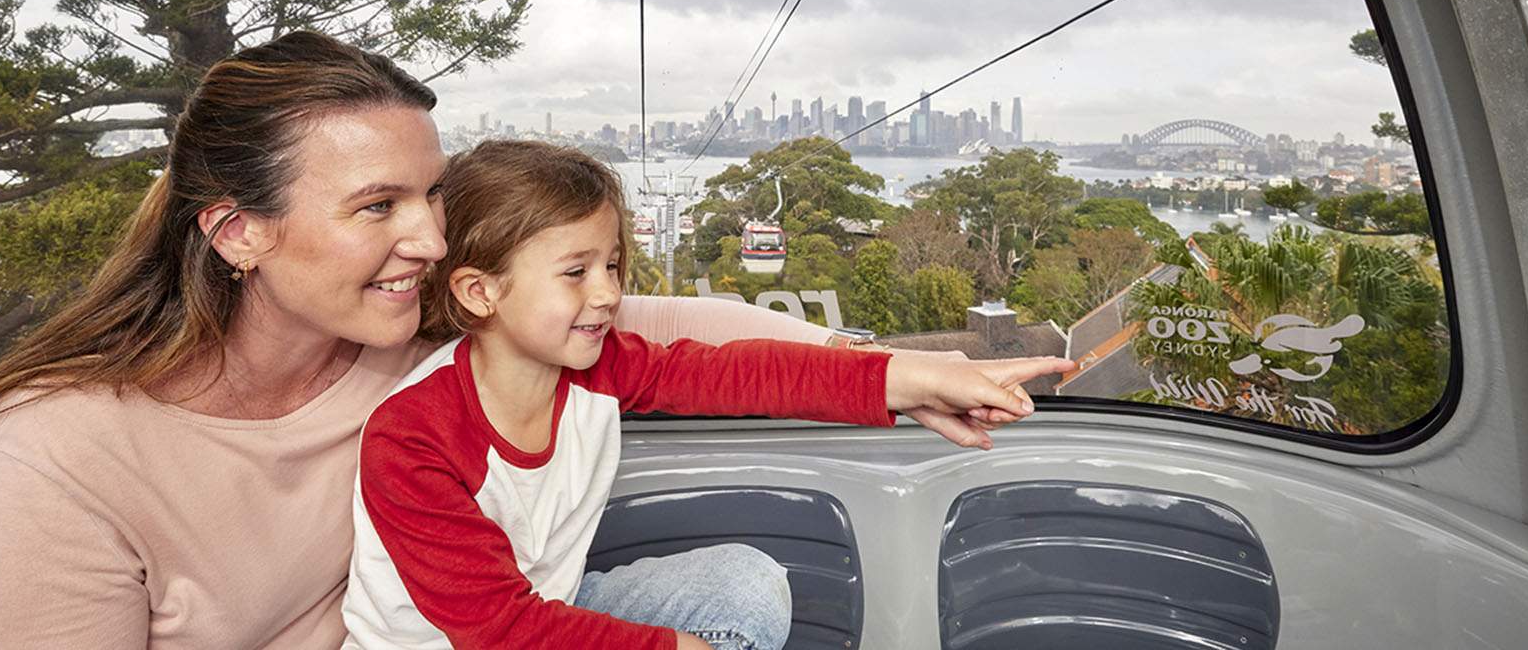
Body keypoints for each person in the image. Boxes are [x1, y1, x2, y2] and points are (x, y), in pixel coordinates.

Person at [0, 31, 1063, 649]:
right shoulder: (51, 465)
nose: (428, 238)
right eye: (377, 209)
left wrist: (910, 373)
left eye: (433, 197)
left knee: (739, 589)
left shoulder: (411, 340)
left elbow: (686, 341)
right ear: (239, 233)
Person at [341, 142, 1071, 650]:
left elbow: (737, 372)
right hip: (469, 642)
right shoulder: (414, 436)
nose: (608, 293)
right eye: (575, 272)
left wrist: (911, 378)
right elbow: (501, 634)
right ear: (480, 290)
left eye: (614, 264)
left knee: (744, 585)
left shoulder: (597, 368)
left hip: (545, 614)